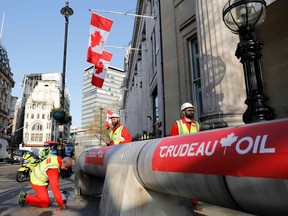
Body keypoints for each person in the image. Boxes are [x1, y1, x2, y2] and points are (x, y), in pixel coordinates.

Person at [170, 102, 204, 212]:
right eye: (189, 110)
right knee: (181, 181)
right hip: (181, 157)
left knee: (194, 181)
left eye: (192, 110)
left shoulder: (197, 125)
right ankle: (180, 201)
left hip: (193, 157)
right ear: (183, 112)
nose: (192, 112)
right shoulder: (177, 124)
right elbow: (172, 141)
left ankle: (195, 203)